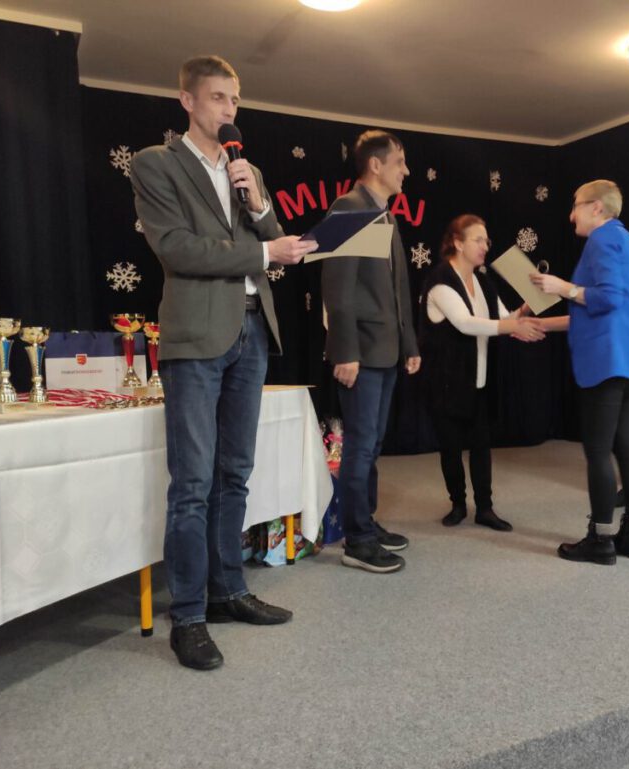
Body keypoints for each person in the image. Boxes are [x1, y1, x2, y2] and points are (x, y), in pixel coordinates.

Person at [131, 55, 318, 670]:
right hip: (195, 337)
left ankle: (228, 590)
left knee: (235, 473)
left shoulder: (247, 169)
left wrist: (259, 203)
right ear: (187, 101)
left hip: (252, 329)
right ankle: (188, 616)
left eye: (234, 99)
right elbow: (177, 249)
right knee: (192, 483)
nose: (229, 110)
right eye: (217, 98)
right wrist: (262, 249)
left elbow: (275, 239)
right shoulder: (156, 163)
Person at [531, 180, 629, 564]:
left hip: (608, 359)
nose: (571, 216)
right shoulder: (628, 240)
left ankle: (600, 540)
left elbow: (607, 298)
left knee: (598, 451)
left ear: (597, 207)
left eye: (576, 206)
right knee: (626, 448)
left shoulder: (602, 240)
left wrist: (563, 288)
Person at [321, 130, 420, 574]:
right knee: (360, 447)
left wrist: (409, 343)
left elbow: (398, 288)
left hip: (386, 350)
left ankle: (366, 521)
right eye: (400, 162)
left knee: (372, 444)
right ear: (375, 165)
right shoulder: (348, 208)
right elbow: (337, 289)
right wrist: (345, 351)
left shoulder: (384, 215)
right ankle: (357, 540)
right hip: (360, 351)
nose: (406, 171)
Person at [419, 214, 544, 531]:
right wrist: (512, 326)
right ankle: (458, 504)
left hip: (479, 380)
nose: (485, 246)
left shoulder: (483, 281)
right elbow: (466, 323)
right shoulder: (440, 281)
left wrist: (529, 305)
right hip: (446, 381)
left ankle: (485, 508)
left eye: (486, 240)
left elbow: (503, 318)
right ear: (458, 243)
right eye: (478, 239)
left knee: (481, 445)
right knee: (451, 447)